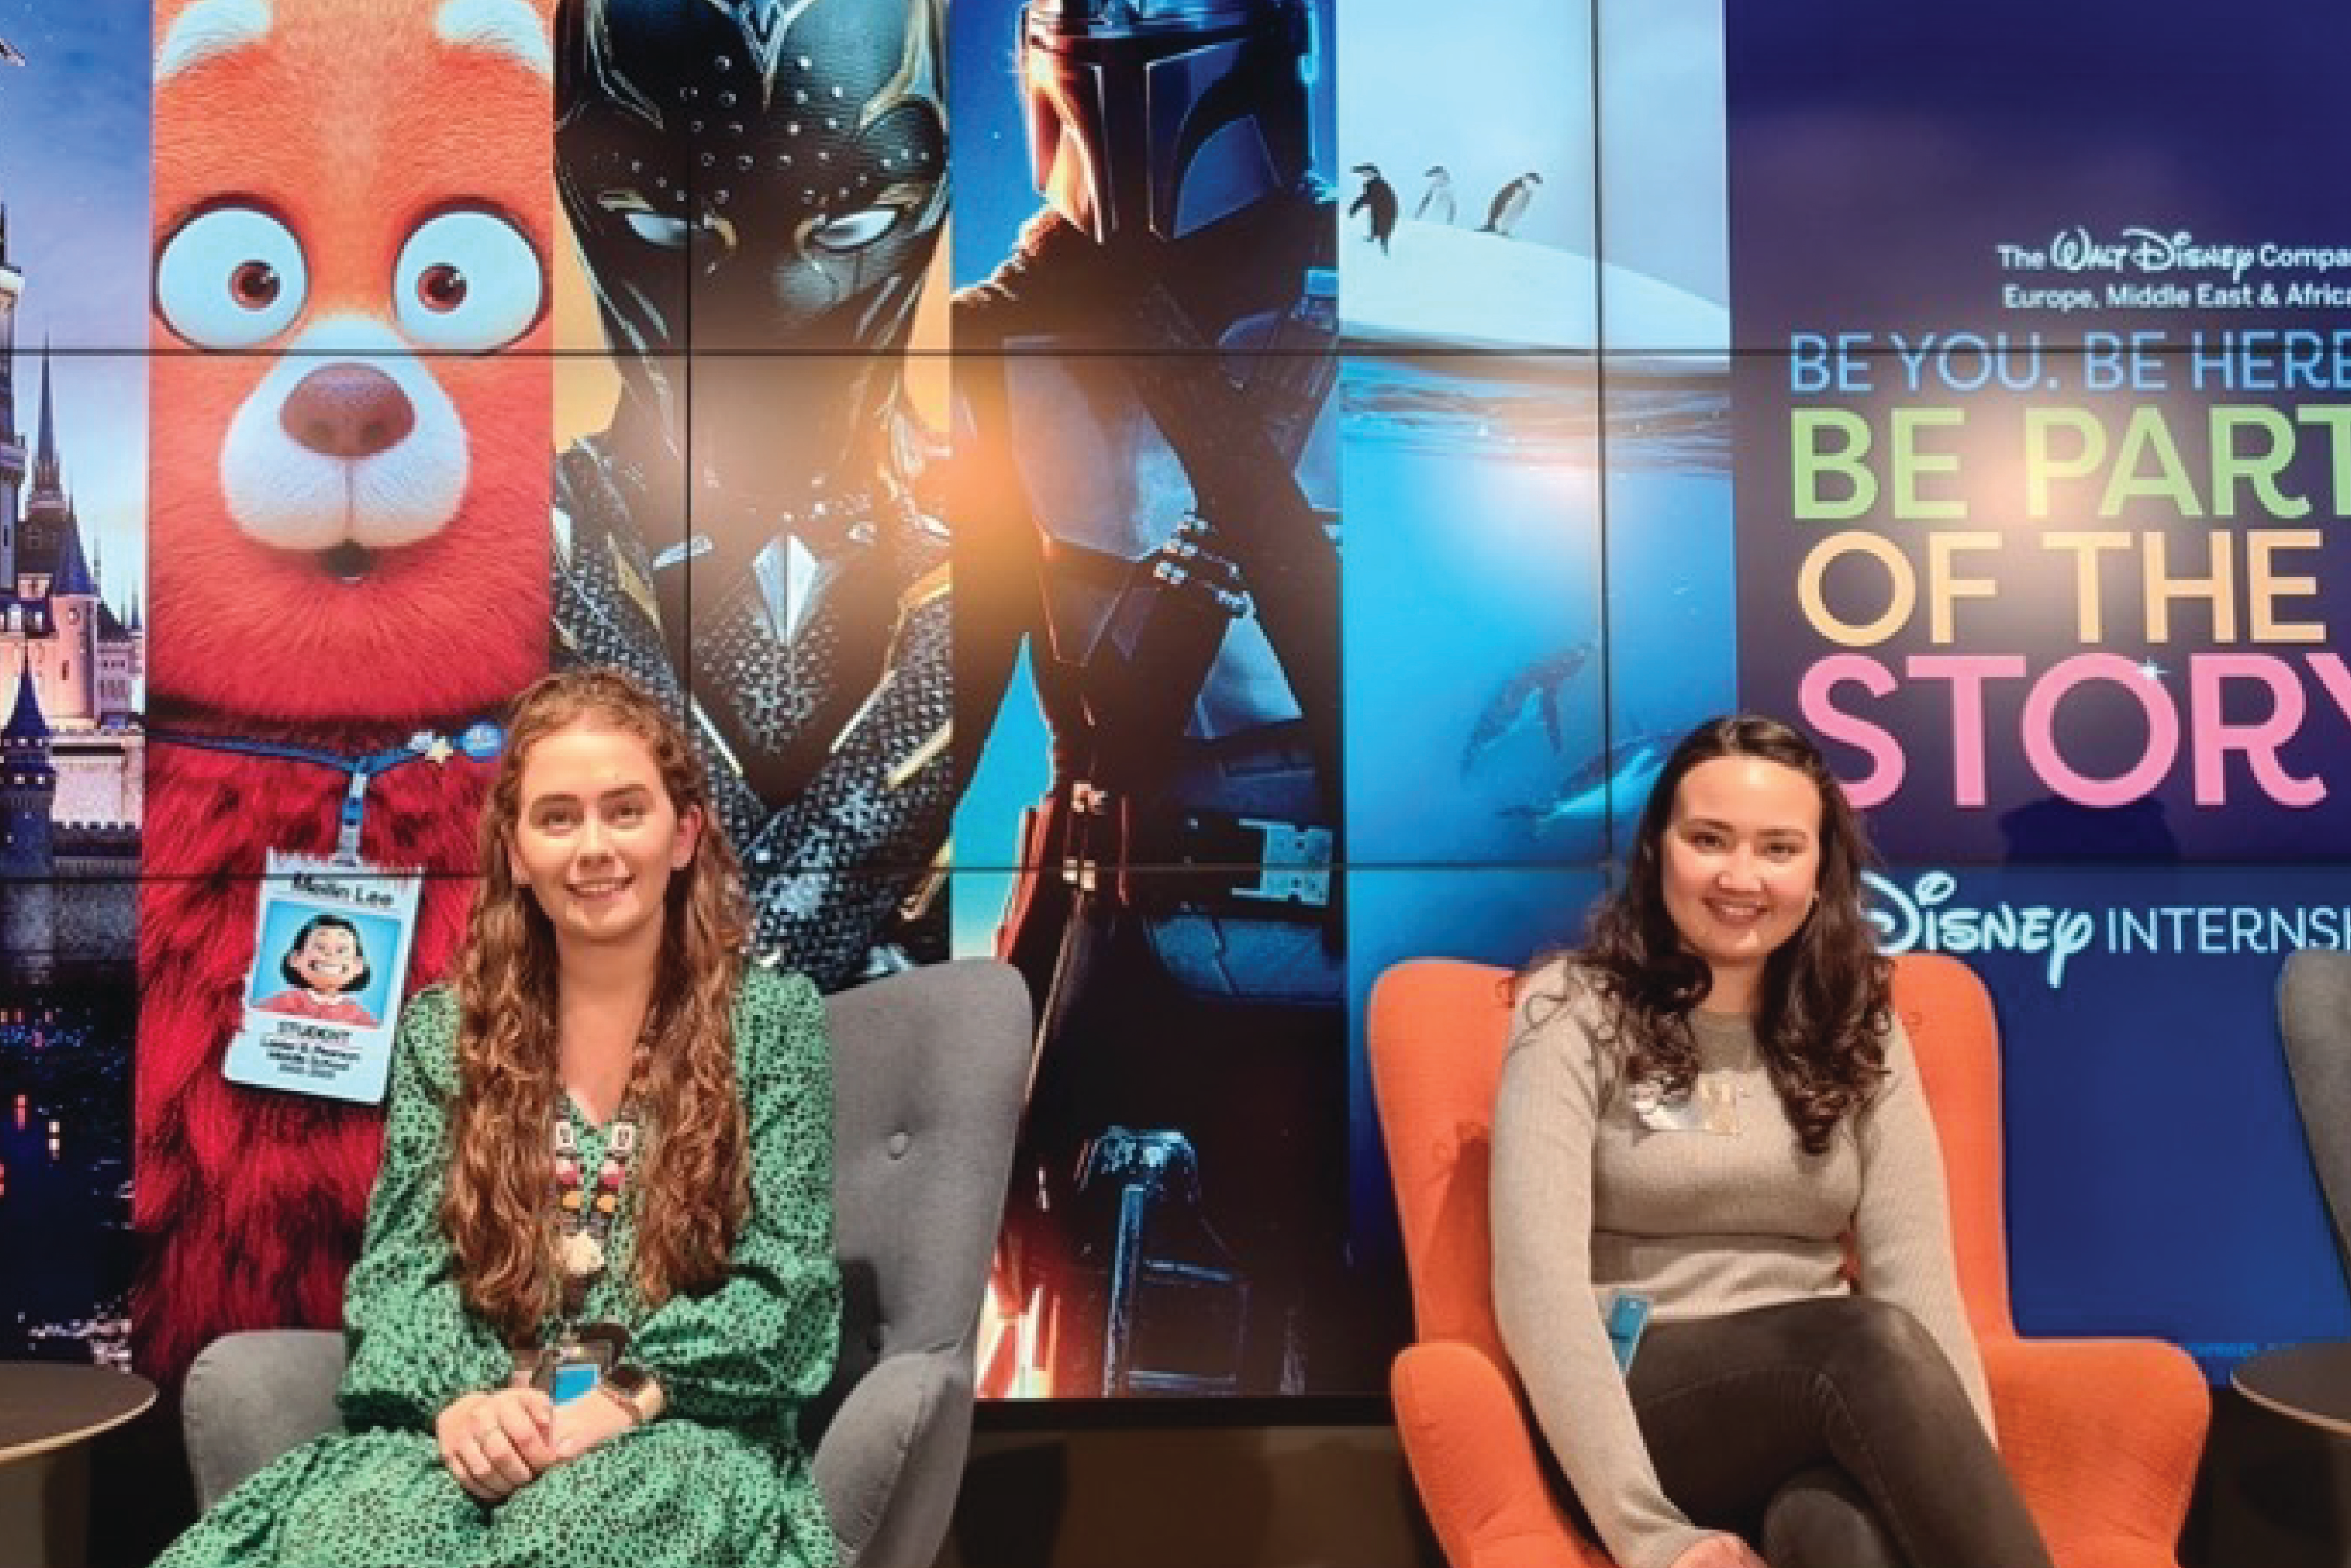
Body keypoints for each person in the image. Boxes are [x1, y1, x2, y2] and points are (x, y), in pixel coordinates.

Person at [155, 667, 840, 1568]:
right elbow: (401, 1276)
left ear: (684, 835)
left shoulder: (773, 1022)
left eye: (625, 809)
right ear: (516, 849)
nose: (593, 846)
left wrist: (618, 1399)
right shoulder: (448, 1032)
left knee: (567, 1533)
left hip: (682, 1431)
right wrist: (464, 1409)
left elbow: (786, 1295)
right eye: (557, 817)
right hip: (489, 1416)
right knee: (355, 1536)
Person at [954, 0, 1347, 1395]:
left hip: (1348, 960)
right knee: (1098, 1376)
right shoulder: (992, 347)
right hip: (1114, 960)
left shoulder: (1363, 320)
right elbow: (945, 710)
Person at [1492, 715, 2055, 1568]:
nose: (1739, 876)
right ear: (1657, 851)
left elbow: (1919, 1277)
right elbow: (1538, 1292)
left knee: (1835, 1533)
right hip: (1640, 1395)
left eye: (1778, 848)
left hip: (1831, 1402)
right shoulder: (1571, 1008)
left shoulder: (1855, 1016)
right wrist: (1649, 1534)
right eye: (1708, 838)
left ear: (1819, 870)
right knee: (1864, 1338)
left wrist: (1946, 1473)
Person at [550, 0, 955, 991]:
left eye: (849, 223)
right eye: (676, 222)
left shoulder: (971, 543)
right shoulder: (547, 542)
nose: (773, 309)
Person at [254, 914, 379, 1026]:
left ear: (358, 966)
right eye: (320, 947)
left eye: (341, 950)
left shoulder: (363, 1020)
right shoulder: (275, 1006)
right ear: (295, 959)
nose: (330, 954)